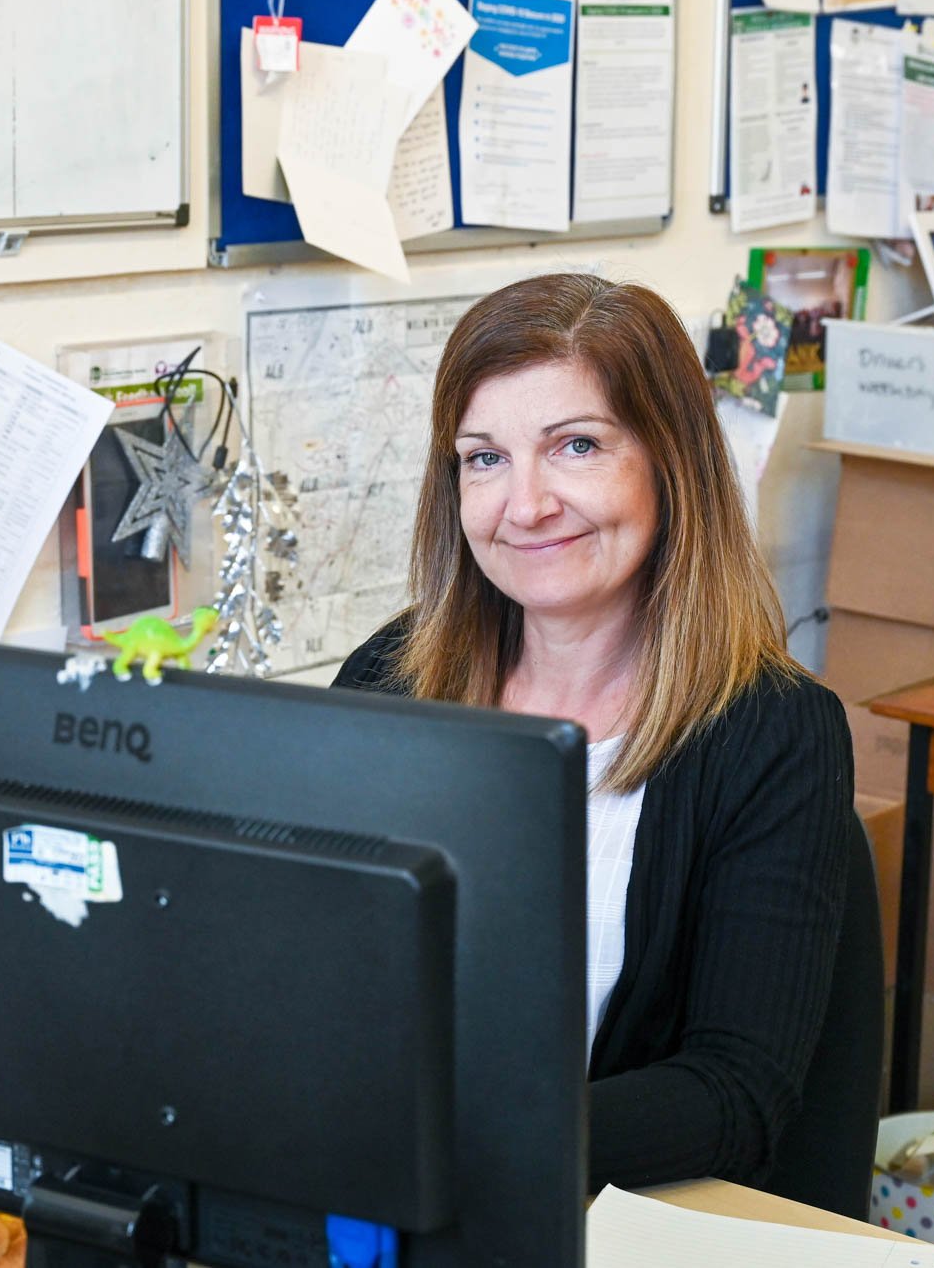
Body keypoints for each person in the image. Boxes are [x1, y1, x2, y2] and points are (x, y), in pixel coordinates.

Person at [334, 273, 882, 1216]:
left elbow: (736, 1091)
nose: (527, 503)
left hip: (608, 1219)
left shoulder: (772, 732)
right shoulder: (390, 680)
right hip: (400, 1208)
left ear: (670, 463)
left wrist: (472, 1141)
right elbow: (311, 973)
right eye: (484, 458)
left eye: (576, 446)